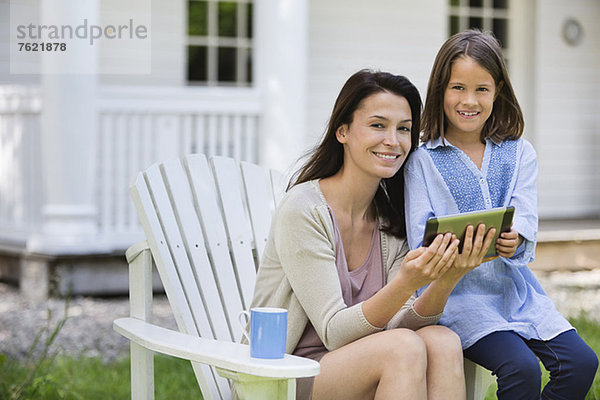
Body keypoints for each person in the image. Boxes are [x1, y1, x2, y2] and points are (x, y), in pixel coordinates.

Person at [248, 69, 496, 400]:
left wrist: (448, 277)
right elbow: (334, 332)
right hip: (288, 375)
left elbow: (403, 322)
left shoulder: (390, 217)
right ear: (343, 131)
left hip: (368, 360)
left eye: (404, 129)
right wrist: (406, 282)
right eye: (378, 125)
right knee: (402, 349)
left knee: (441, 340)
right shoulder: (304, 210)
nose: (393, 140)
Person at [404, 29, 598, 400]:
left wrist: (517, 237)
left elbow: (525, 215)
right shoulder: (423, 160)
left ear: (498, 92)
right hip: (457, 298)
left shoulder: (519, 152)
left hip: (516, 291)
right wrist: (451, 251)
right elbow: (420, 234)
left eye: (482, 89)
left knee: (582, 363)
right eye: (457, 88)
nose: (469, 101)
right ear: (440, 90)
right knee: (520, 369)